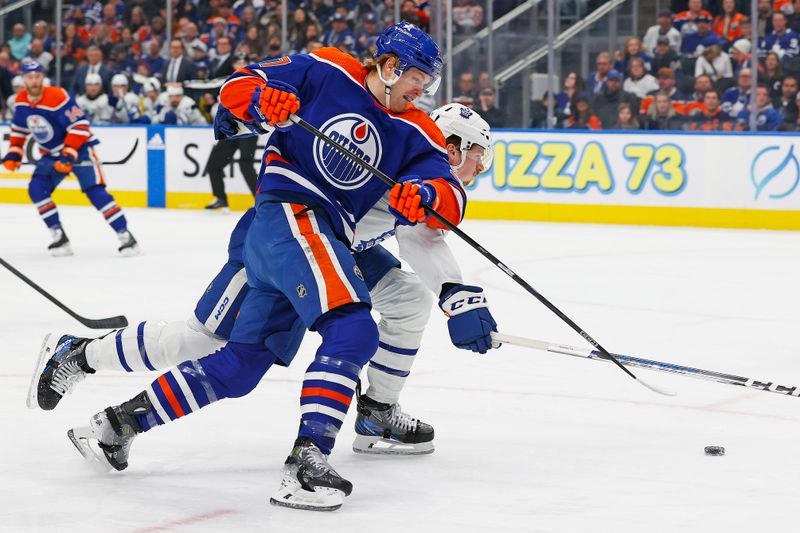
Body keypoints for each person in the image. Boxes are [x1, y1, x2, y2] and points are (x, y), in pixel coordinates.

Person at [58, 23, 498, 511]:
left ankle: (114, 424)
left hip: (319, 240)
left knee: (238, 364)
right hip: (289, 216)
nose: (424, 91)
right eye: (419, 78)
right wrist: (258, 103)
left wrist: (430, 196)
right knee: (350, 329)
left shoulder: (418, 130)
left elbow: (445, 197)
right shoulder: (327, 69)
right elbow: (237, 87)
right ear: (391, 67)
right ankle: (306, 463)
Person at [2, 61, 139, 256]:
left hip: (79, 150)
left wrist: (68, 154)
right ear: (23, 79)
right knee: (37, 189)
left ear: (43, 77)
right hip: (50, 155)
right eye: (30, 77)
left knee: (95, 192)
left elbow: (80, 126)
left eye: (37, 76)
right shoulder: (21, 100)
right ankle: (59, 237)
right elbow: (19, 129)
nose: (34, 81)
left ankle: (126, 236)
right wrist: (14, 152)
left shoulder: (57, 96)